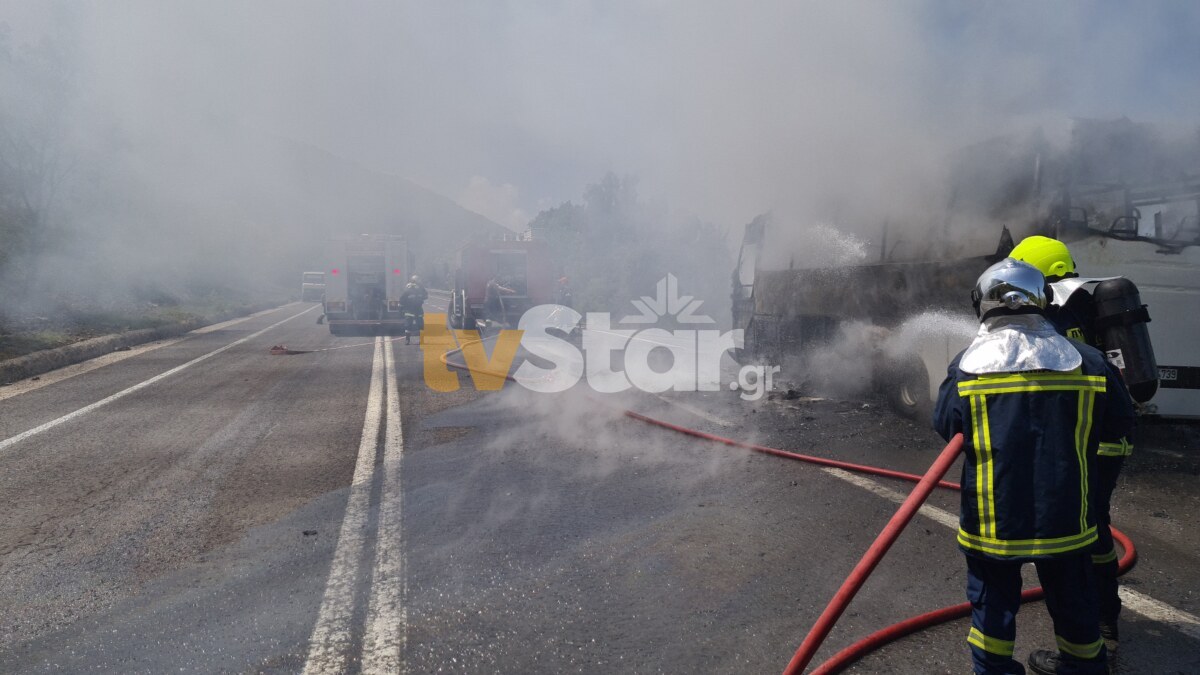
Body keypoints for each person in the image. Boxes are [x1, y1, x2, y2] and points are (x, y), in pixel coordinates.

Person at [934, 258, 1135, 675]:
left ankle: (995, 670)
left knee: (992, 610)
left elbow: (946, 424)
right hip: (1067, 518)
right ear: (1043, 300)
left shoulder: (966, 367)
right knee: (1075, 603)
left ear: (983, 303)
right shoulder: (1091, 362)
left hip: (993, 522)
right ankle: (1082, 669)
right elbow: (1119, 422)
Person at [1010, 235, 1150, 653]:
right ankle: (1105, 617)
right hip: (1111, 437)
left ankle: (1088, 634)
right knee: (1094, 524)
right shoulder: (1093, 305)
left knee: (1069, 533)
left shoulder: (1045, 315)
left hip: (1075, 442)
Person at [399, 277, 428, 344]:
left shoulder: (409, 288)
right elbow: (426, 296)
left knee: (409, 325)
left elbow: (402, 300)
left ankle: (408, 340)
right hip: (416, 310)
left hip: (411, 310)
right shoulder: (418, 289)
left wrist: (401, 308)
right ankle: (420, 340)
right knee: (419, 325)